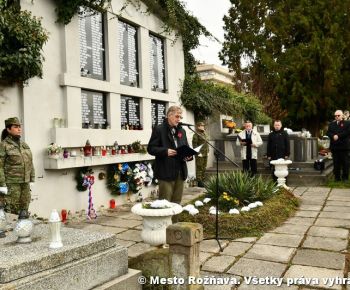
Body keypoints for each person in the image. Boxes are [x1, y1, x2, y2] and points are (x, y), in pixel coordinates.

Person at [147, 106, 192, 204]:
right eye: (177, 116)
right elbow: (151, 148)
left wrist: (188, 155)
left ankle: (175, 220)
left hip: (180, 172)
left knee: (176, 203)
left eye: (180, 117)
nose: (179, 119)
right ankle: (164, 220)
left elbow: (186, 147)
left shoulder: (182, 131)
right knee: (165, 203)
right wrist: (165, 151)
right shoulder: (159, 129)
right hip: (165, 172)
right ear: (169, 115)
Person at [0, 117, 35, 214]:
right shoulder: (3, 145)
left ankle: (23, 228)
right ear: (8, 129)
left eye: (20, 127)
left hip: (25, 183)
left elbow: (30, 162)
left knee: (24, 209)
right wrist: (2, 184)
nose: (19, 129)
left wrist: (32, 178)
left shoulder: (24, 145)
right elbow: (0, 166)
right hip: (11, 185)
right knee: (12, 211)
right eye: (16, 127)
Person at [326, 110, 350, 181]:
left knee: (345, 163)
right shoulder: (331, 124)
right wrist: (333, 136)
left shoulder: (347, 123)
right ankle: (337, 177)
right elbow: (328, 132)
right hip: (335, 147)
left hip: (344, 147)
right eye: (335, 115)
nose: (336, 117)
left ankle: (345, 178)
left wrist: (338, 136)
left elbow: (347, 132)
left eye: (338, 115)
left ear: (342, 116)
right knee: (336, 163)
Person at [192, 122, 209, 187]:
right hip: (200, 154)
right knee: (199, 167)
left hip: (205, 153)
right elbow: (194, 145)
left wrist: (208, 151)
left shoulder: (204, 133)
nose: (203, 127)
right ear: (198, 127)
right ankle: (199, 181)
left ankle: (203, 180)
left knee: (204, 167)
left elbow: (207, 143)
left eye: (203, 125)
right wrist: (198, 153)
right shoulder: (196, 134)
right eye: (201, 126)